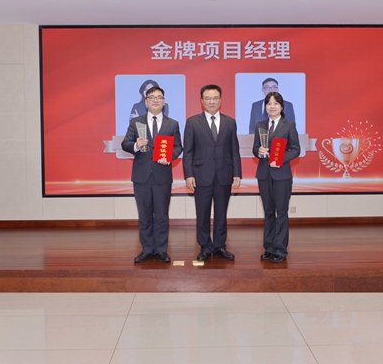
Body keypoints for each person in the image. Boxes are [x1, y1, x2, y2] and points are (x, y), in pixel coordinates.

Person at [122, 86, 182, 263]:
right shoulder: (136, 122)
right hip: (141, 176)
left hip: (162, 175)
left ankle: (161, 250)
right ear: (146, 101)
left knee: (162, 215)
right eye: (152, 97)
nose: (156, 100)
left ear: (164, 102)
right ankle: (147, 249)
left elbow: (178, 147)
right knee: (145, 215)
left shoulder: (172, 124)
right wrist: (136, 145)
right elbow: (125, 143)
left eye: (159, 97)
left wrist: (169, 157)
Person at [183, 84, 242, 262]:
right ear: (202, 101)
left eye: (215, 98)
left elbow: (234, 150)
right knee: (202, 213)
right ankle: (205, 247)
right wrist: (189, 174)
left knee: (221, 214)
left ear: (220, 100)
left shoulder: (230, 122)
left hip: (224, 174)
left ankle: (219, 246)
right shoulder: (193, 122)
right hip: (201, 175)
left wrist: (237, 173)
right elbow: (188, 152)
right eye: (208, 98)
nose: (211, 101)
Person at [252, 92, 300, 263]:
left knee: (281, 212)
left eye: (275, 103)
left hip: (282, 175)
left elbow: (296, 149)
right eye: (269, 103)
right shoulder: (260, 125)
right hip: (264, 174)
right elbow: (255, 148)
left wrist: (280, 159)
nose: (272, 106)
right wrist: (259, 151)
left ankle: (280, 249)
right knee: (268, 212)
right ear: (265, 107)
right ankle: (269, 247)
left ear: (281, 106)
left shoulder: (289, 125)